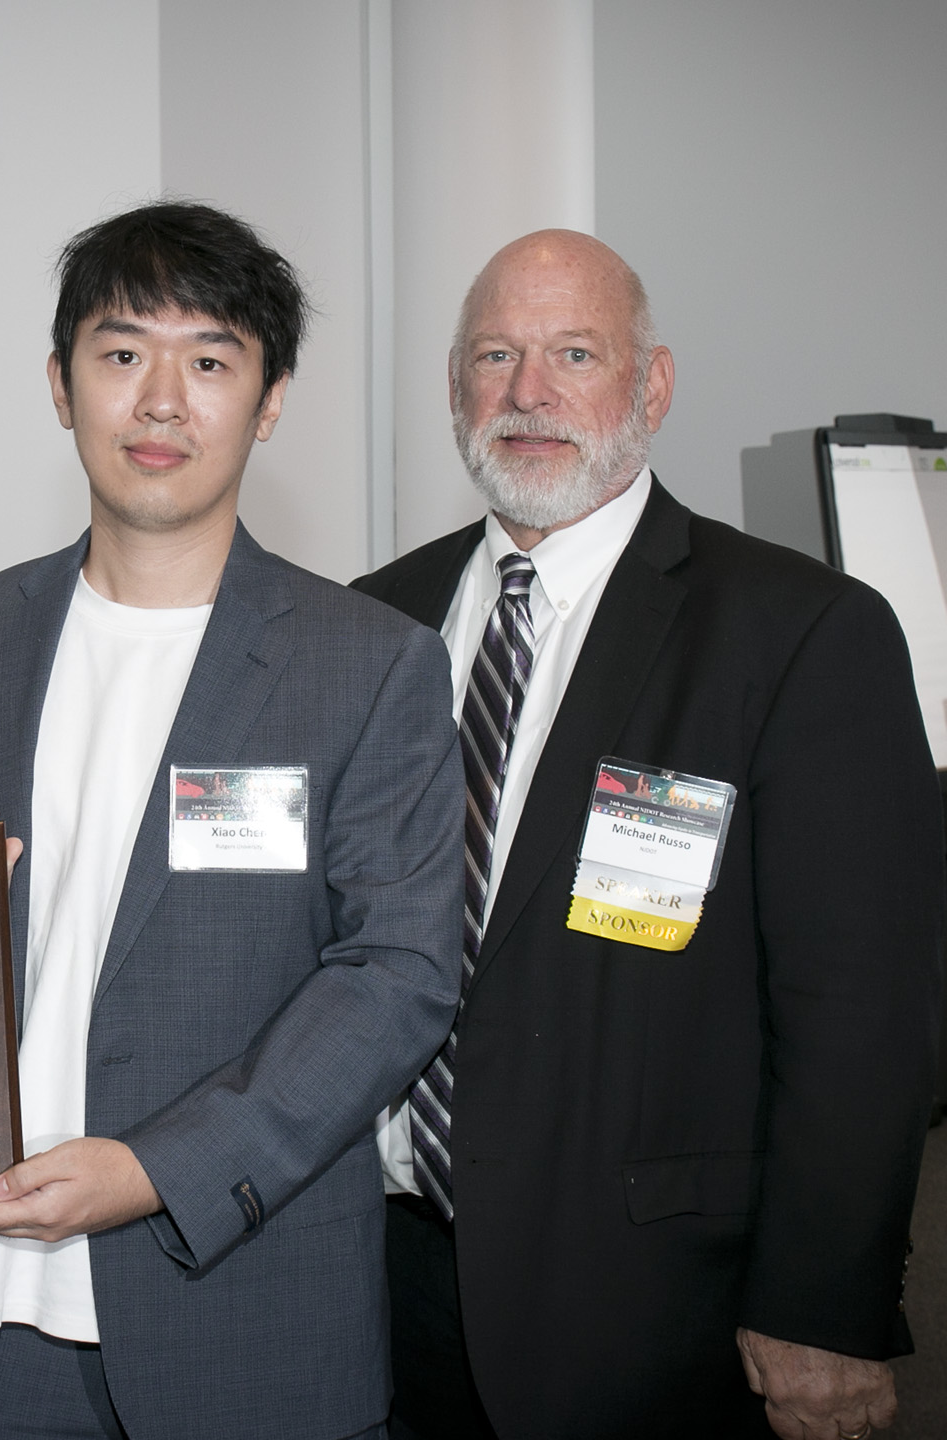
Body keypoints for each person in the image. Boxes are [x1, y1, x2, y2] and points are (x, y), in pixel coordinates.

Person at [0, 201, 465, 1439]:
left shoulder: (369, 664)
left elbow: (399, 972)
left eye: (210, 361)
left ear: (271, 397)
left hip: (244, 1314)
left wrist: (152, 1171)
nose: (160, 402)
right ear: (59, 381)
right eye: (122, 353)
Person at [355, 230, 943, 1440]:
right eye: (496, 356)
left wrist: (823, 1304)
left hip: (652, 1315)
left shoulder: (799, 633)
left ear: (652, 386)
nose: (528, 393)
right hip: (374, 1288)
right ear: (455, 388)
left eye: (574, 353)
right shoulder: (374, 624)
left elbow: (864, 1010)